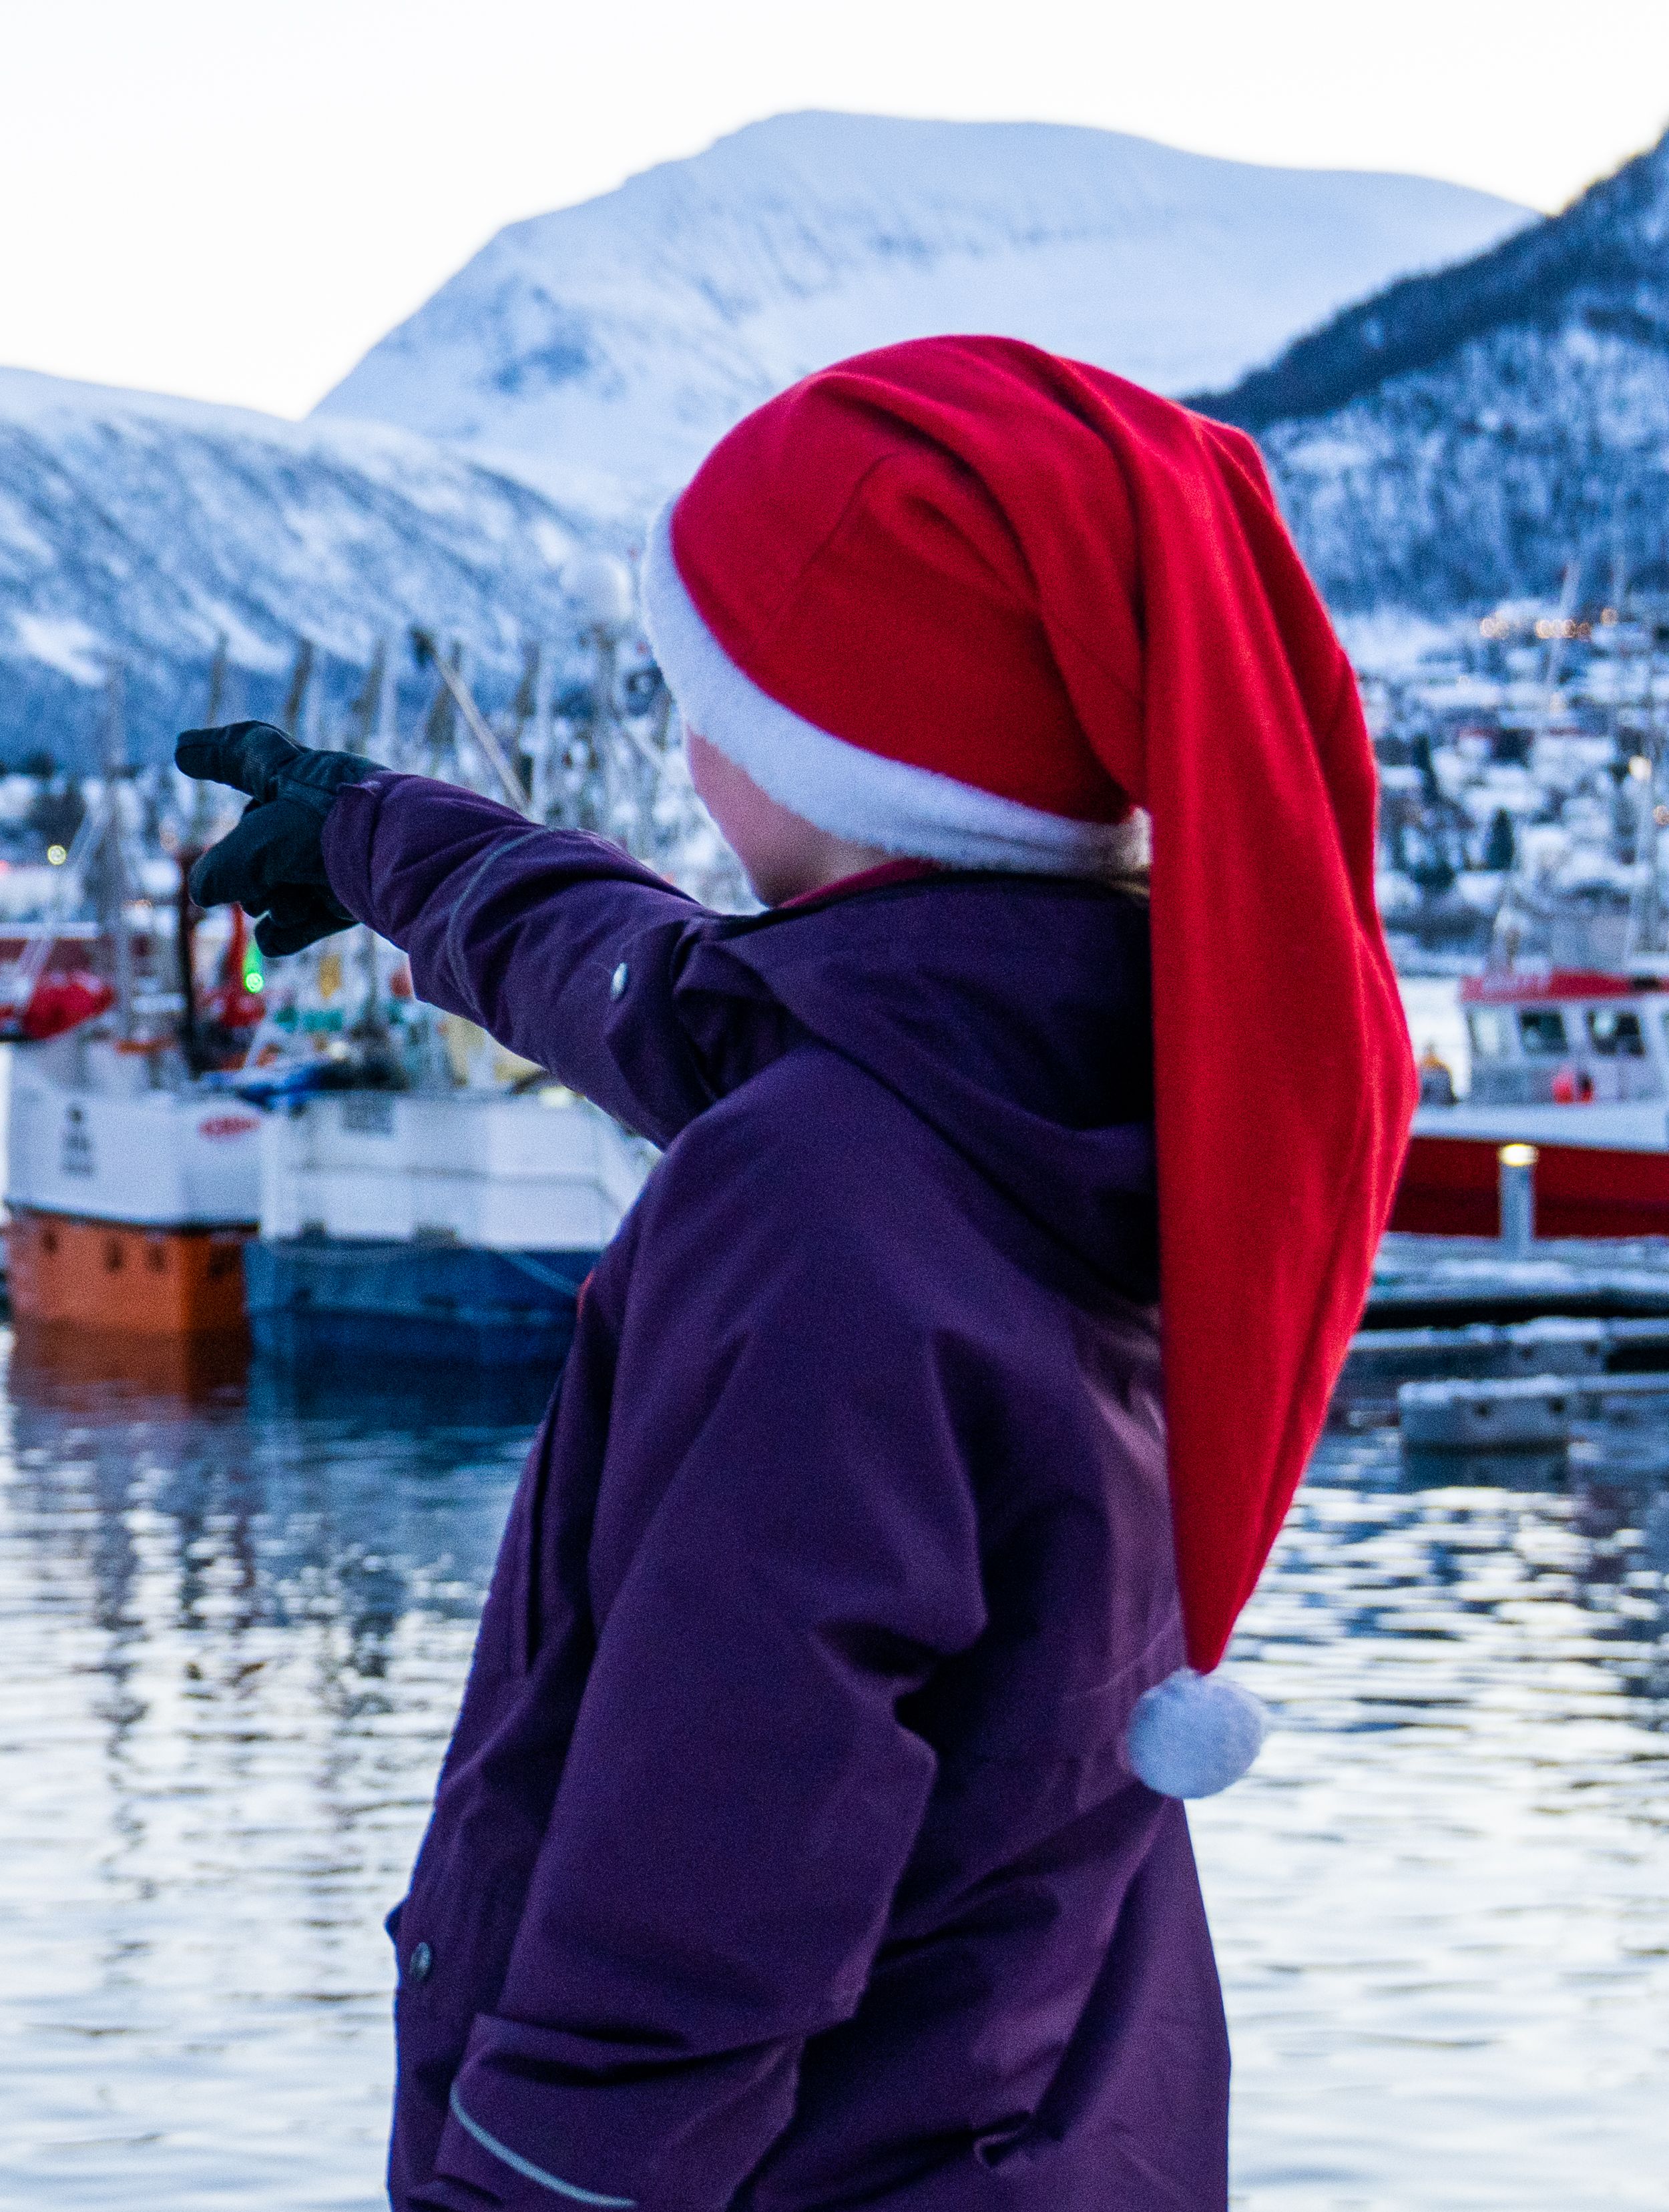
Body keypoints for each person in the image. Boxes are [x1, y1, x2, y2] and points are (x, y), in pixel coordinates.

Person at [180, 336, 1411, 2209]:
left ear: (833, 749)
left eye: (711, 690)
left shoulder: (814, 1202)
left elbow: (714, 1849)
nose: (687, 738)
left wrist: (526, 2182)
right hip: (1057, 2128)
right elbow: (677, 1004)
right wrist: (385, 844)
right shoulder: (1088, 1071)